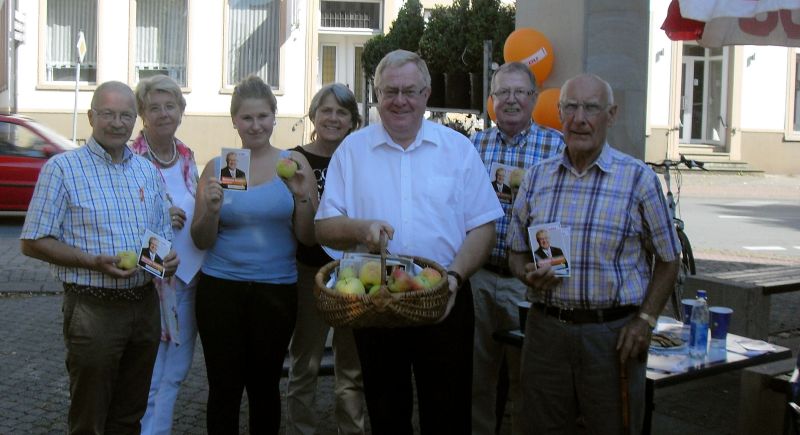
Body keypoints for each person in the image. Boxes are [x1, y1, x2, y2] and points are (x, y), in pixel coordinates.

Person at [315, 49, 503, 434]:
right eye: (390, 91)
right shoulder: (353, 151)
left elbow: (483, 227)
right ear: (377, 93)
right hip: (376, 301)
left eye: (410, 91)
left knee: (448, 412)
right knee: (387, 414)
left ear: (427, 93)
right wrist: (360, 228)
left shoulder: (457, 150)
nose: (400, 100)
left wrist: (454, 278)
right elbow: (324, 228)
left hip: (445, 295)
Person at [507, 73, 681, 434]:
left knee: (612, 426)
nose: (579, 118)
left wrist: (646, 320)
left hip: (612, 335)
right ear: (558, 111)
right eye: (570, 107)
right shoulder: (537, 178)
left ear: (611, 114)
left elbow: (670, 257)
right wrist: (527, 274)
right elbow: (516, 252)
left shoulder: (638, 180)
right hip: (546, 332)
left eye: (591, 108)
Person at [19, 81, 177, 434]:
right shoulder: (63, 169)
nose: (117, 122)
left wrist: (167, 259)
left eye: (125, 115)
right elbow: (32, 241)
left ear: (135, 120)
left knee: (130, 414)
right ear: (92, 116)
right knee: (90, 417)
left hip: (143, 306)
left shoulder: (146, 172)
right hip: (93, 310)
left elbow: (161, 235)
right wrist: (91, 261)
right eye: (108, 114)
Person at [191, 74, 318, 434]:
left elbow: (308, 238)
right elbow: (200, 240)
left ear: (274, 117)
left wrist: (301, 195)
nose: (256, 125)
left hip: (275, 290)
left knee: (264, 387)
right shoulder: (218, 168)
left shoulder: (293, 164)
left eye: (263, 116)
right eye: (247, 118)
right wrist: (212, 209)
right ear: (234, 121)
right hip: (220, 290)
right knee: (224, 388)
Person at [469, 61, 564, 435]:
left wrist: (550, 271)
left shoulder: (556, 146)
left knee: (529, 379)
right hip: (478, 278)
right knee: (477, 378)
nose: (510, 100)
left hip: (527, 282)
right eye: (502, 93)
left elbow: (560, 212)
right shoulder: (473, 146)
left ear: (534, 98)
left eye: (519, 92)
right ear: (491, 99)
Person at [286, 83, 366, 435]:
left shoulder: (363, 158)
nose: (333, 118)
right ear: (314, 116)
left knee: (352, 364)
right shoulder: (296, 158)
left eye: (342, 112)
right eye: (326, 110)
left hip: (355, 270)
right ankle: (302, 428)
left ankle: (350, 428)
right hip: (310, 270)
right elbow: (305, 231)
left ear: (353, 121)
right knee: (306, 358)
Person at [130, 74, 204, 435]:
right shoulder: (130, 157)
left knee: (176, 372)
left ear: (181, 111)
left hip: (189, 279)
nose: (163, 114)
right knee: (150, 374)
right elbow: (121, 224)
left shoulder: (187, 154)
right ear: (142, 113)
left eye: (170, 106)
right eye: (154, 107)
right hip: (150, 286)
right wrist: (161, 220)